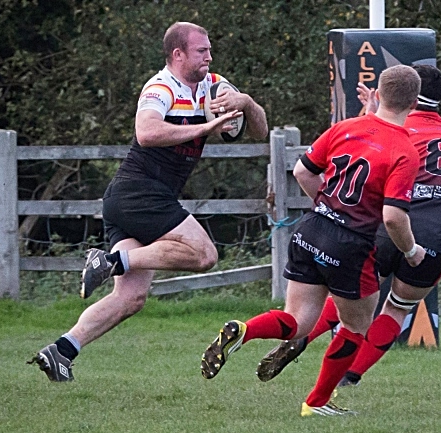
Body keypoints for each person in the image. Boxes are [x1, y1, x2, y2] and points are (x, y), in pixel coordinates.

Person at [27, 22, 268, 382]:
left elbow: (260, 132)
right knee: (205, 255)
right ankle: (109, 260)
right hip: (138, 192)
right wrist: (203, 129)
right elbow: (147, 132)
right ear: (178, 54)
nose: (209, 56)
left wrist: (247, 103)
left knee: (131, 298)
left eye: (210, 49)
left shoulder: (213, 85)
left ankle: (61, 351)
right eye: (202, 50)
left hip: (134, 198)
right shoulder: (161, 87)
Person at [200, 64, 425, 417]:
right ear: (414, 104)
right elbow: (394, 217)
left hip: (311, 229)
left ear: (377, 94)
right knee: (355, 326)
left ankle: (244, 329)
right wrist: (412, 252)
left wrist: (325, 206)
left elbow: (304, 171)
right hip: (350, 244)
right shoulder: (406, 151)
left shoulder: (345, 128)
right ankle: (315, 404)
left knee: (297, 321)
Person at [255, 65, 441, 388]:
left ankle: (301, 338)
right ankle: (350, 377)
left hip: (388, 224)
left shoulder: (402, 127)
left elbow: (372, 145)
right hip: (438, 232)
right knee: (396, 309)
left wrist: (370, 111)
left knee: (346, 294)